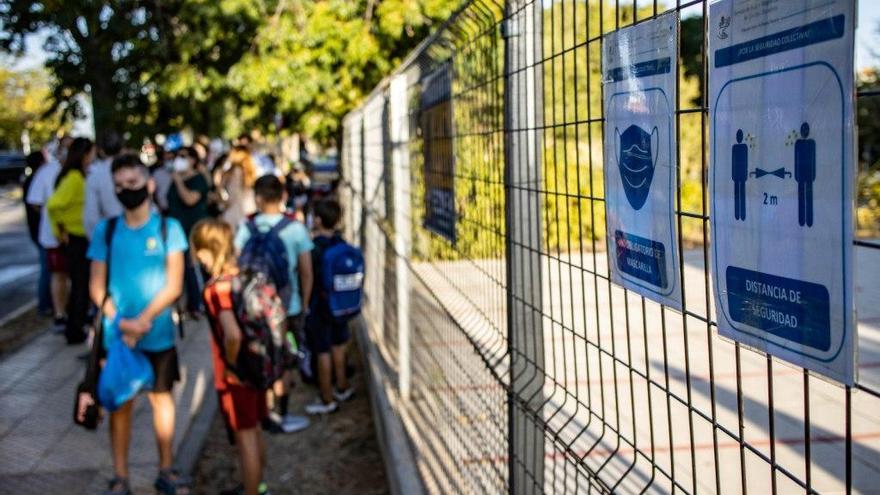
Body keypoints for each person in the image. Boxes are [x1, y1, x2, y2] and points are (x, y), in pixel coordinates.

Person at [87, 153, 190, 495]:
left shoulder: (168, 228)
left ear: (147, 184)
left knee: (162, 400)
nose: (125, 191)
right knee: (120, 405)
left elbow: (174, 284)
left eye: (131, 183)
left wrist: (143, 321)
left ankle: (166, 469)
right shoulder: (107, 229)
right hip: (119, 339)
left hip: (156, 334)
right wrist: (121, 323)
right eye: (118, 186)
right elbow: (96, 285)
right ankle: (121, 476)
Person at [192, 219, 271, 495]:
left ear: (207, 251)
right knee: (255, 428)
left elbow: (232, 334)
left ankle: (252, 491)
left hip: (239, 373)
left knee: (244, 435)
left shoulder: (216, 289)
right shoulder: (244, 276)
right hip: (259, 363)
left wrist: (231, 365)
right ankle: (259, 486)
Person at [234, 175, 313, 433]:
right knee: (285, 359)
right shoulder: (295, 229)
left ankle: (264, 411)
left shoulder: (247, 228)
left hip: (255, 309)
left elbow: (238, 267)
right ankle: (282, 411)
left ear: (256, 197)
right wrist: (305, 303)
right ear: (283, 196)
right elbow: (306, 271)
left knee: (262, 355)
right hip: (288, 306)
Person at [304, 199, 354, 415]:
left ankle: (327, 399)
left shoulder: (313, 249)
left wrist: (305, 304)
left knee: (322, 351)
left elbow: (307, 277)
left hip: (319, 307)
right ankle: (342, 386)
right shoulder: (342, 244)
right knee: (339, 346)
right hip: (340, 306)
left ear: (317, 219)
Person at [47, 137, 95, 344]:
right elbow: (53, 205)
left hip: (81, 236)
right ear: (84, 154)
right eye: (92, 152)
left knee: (82, 284)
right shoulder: (74, 177)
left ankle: (78, 325)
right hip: (76, 239)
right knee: (80, 286)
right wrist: (60, 231)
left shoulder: (81, 176)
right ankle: (75, 329)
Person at [27, 144, 69, 331]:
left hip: (76, 234)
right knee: (55, 273)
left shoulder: (81, 172)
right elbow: (35, 202)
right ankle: (54, 311)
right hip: (54, 235)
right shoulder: (47, 172)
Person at [167, 146, 211, 314]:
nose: (179, 159)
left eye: (184, 156)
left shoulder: (198, 179)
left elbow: (190, 199)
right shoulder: (174, 180)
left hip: (195, 229)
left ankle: (201, 303)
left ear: (193, 160)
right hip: (177, 230)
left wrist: (178, 180)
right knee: (183, 268)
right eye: (178, 156)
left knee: (196, 267)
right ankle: (191, 304)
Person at [23, 150, 53, 316]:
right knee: (47, 269)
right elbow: (35, 203)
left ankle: (46, 304)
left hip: (39, 231)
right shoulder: (34, 180)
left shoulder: (32, 180)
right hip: (41, 232)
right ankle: (44, 305)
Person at [84, 131, 125, 239]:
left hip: (111, 235)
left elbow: (91, 217)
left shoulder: (95, 176)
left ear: (101, 151)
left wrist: (97, 243)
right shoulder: (135, 169)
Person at [221, 145, 257, 227]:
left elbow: (232, 195)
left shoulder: (235, 171)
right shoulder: (251, 171)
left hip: (235, 212)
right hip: (249, 210)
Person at [795, 122, 816, 227]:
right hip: (801, 175)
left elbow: (813, 160)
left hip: (808, 175)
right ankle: (802, 220)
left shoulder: (812, 143)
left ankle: (809, 220)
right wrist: (796, 175)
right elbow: (796, 160)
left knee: (809, 198)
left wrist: (813, 175)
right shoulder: (798, 143)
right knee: (801, 198)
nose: (804, 132)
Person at [732, 129, 748, 221]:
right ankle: (737, 215)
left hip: (740, 173)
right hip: (738, 173)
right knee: (737, 194)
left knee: (741, 194)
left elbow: (746, 161)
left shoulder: (743, 147)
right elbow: (733, 161)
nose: (739, 138)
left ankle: (742, 215)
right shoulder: (736, 147)